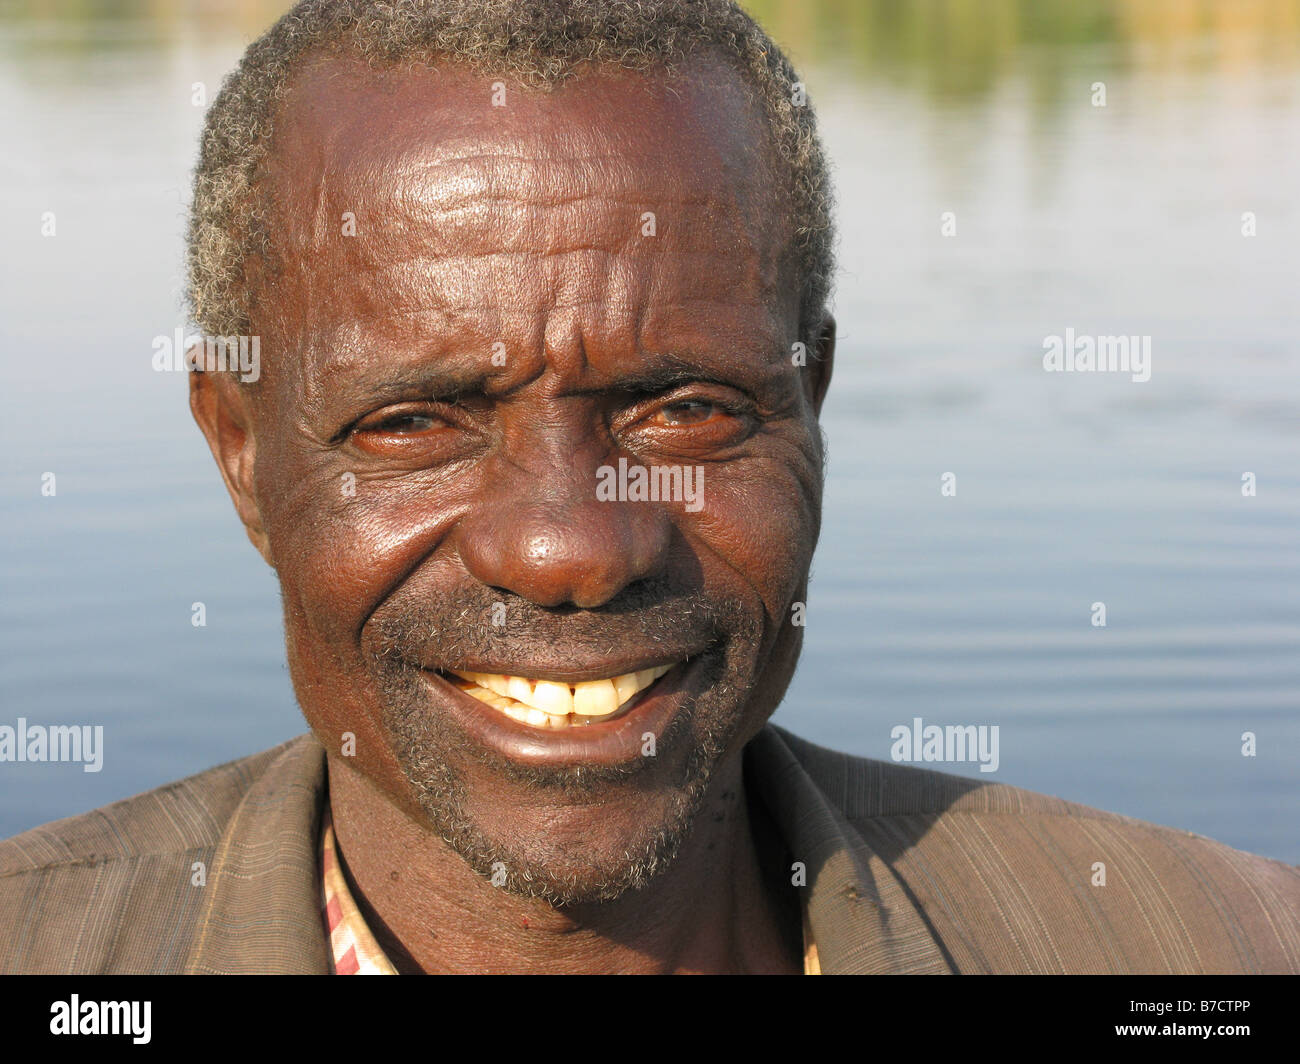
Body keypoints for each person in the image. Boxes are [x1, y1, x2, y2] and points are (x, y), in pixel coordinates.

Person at [2, 0, 1296, 975]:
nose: (570, 546)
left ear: (812, 403)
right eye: (414, 422)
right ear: (242, 453)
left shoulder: (1207, 951)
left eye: (685, 408)